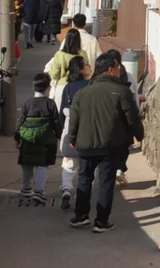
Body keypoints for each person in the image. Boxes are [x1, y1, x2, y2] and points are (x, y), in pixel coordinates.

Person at [66, 50, 143, 233]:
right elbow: (132, 118)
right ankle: (101, 221)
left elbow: (74, 119)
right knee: (106, 182)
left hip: (85, 144)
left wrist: (73, 138)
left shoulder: (82, 92)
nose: (119, 70)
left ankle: (81, 216)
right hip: (110, 144)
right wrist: (139, 135)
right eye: (118, 67)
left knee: (85, 179)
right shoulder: (122, 91)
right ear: (110, 69)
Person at [16, 72, 62, 202]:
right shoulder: (50, 104)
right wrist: (59, 135)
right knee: (42, 166)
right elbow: (56, 122)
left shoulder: (27, 103)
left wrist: (17, 137)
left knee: (27, 164)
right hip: (45, 141)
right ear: (47, 88)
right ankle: (39, 191)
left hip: (27, 140)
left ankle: (26, 188)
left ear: (33, 87)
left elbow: (20, 122)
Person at [56, 54, 88, 209]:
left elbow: (62, 112)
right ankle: (82, 196)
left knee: (68, 164)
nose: (89, 67)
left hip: (70, 131)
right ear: (81, 69)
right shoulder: (90, 86)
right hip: (87, 132)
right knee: (86, 166)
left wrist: (63, 130)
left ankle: (66, 190)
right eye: (86, 65)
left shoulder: (68, 88)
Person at [45, 29, 85, 97]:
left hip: (62, 85)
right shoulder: (82, 54)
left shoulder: (60, 54)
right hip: (79, 86)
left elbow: (54, 74)